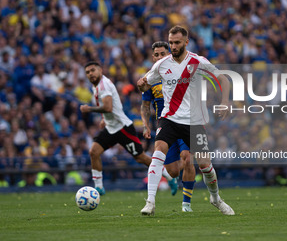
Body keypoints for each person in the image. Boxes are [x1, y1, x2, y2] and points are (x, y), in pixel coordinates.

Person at [137, 25, 235, 216]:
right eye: (171, 42)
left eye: (177, 43)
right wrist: (141, 84)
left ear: (186, 42)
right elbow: (145, 85)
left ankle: (216, 199)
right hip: (169, 118)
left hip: (194, 122)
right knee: (158, 152)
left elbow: (223, 79)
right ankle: (150, 202)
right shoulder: (162, 64)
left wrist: (225, 102)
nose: (173, 46)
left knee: (206, 166)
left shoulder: (198, 62)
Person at [80, 61, 176, 195]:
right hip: (111, 128)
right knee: (93, 152)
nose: (90, 74)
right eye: (88, 72)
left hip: (123, 128)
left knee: (140, 157)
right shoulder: (96, 86)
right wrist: (103, 119)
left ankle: (169, 177)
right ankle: (99, 188)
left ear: (100, 70)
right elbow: (108, 107)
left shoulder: (104, 85)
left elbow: (108, 107)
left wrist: (88, 109)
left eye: (92, 70)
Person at [141, 41, 196, 212]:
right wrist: (145, 125)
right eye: (156, 54)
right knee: (173, 171)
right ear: (153, 57)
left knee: (187, 157)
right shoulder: (151, 79)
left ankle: (186, 204)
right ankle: (169, 178)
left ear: (169, 53)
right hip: (166, 125)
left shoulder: (182, 71)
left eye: (162, 54)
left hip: (185, 121)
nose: (159, 57)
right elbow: (145, 106)